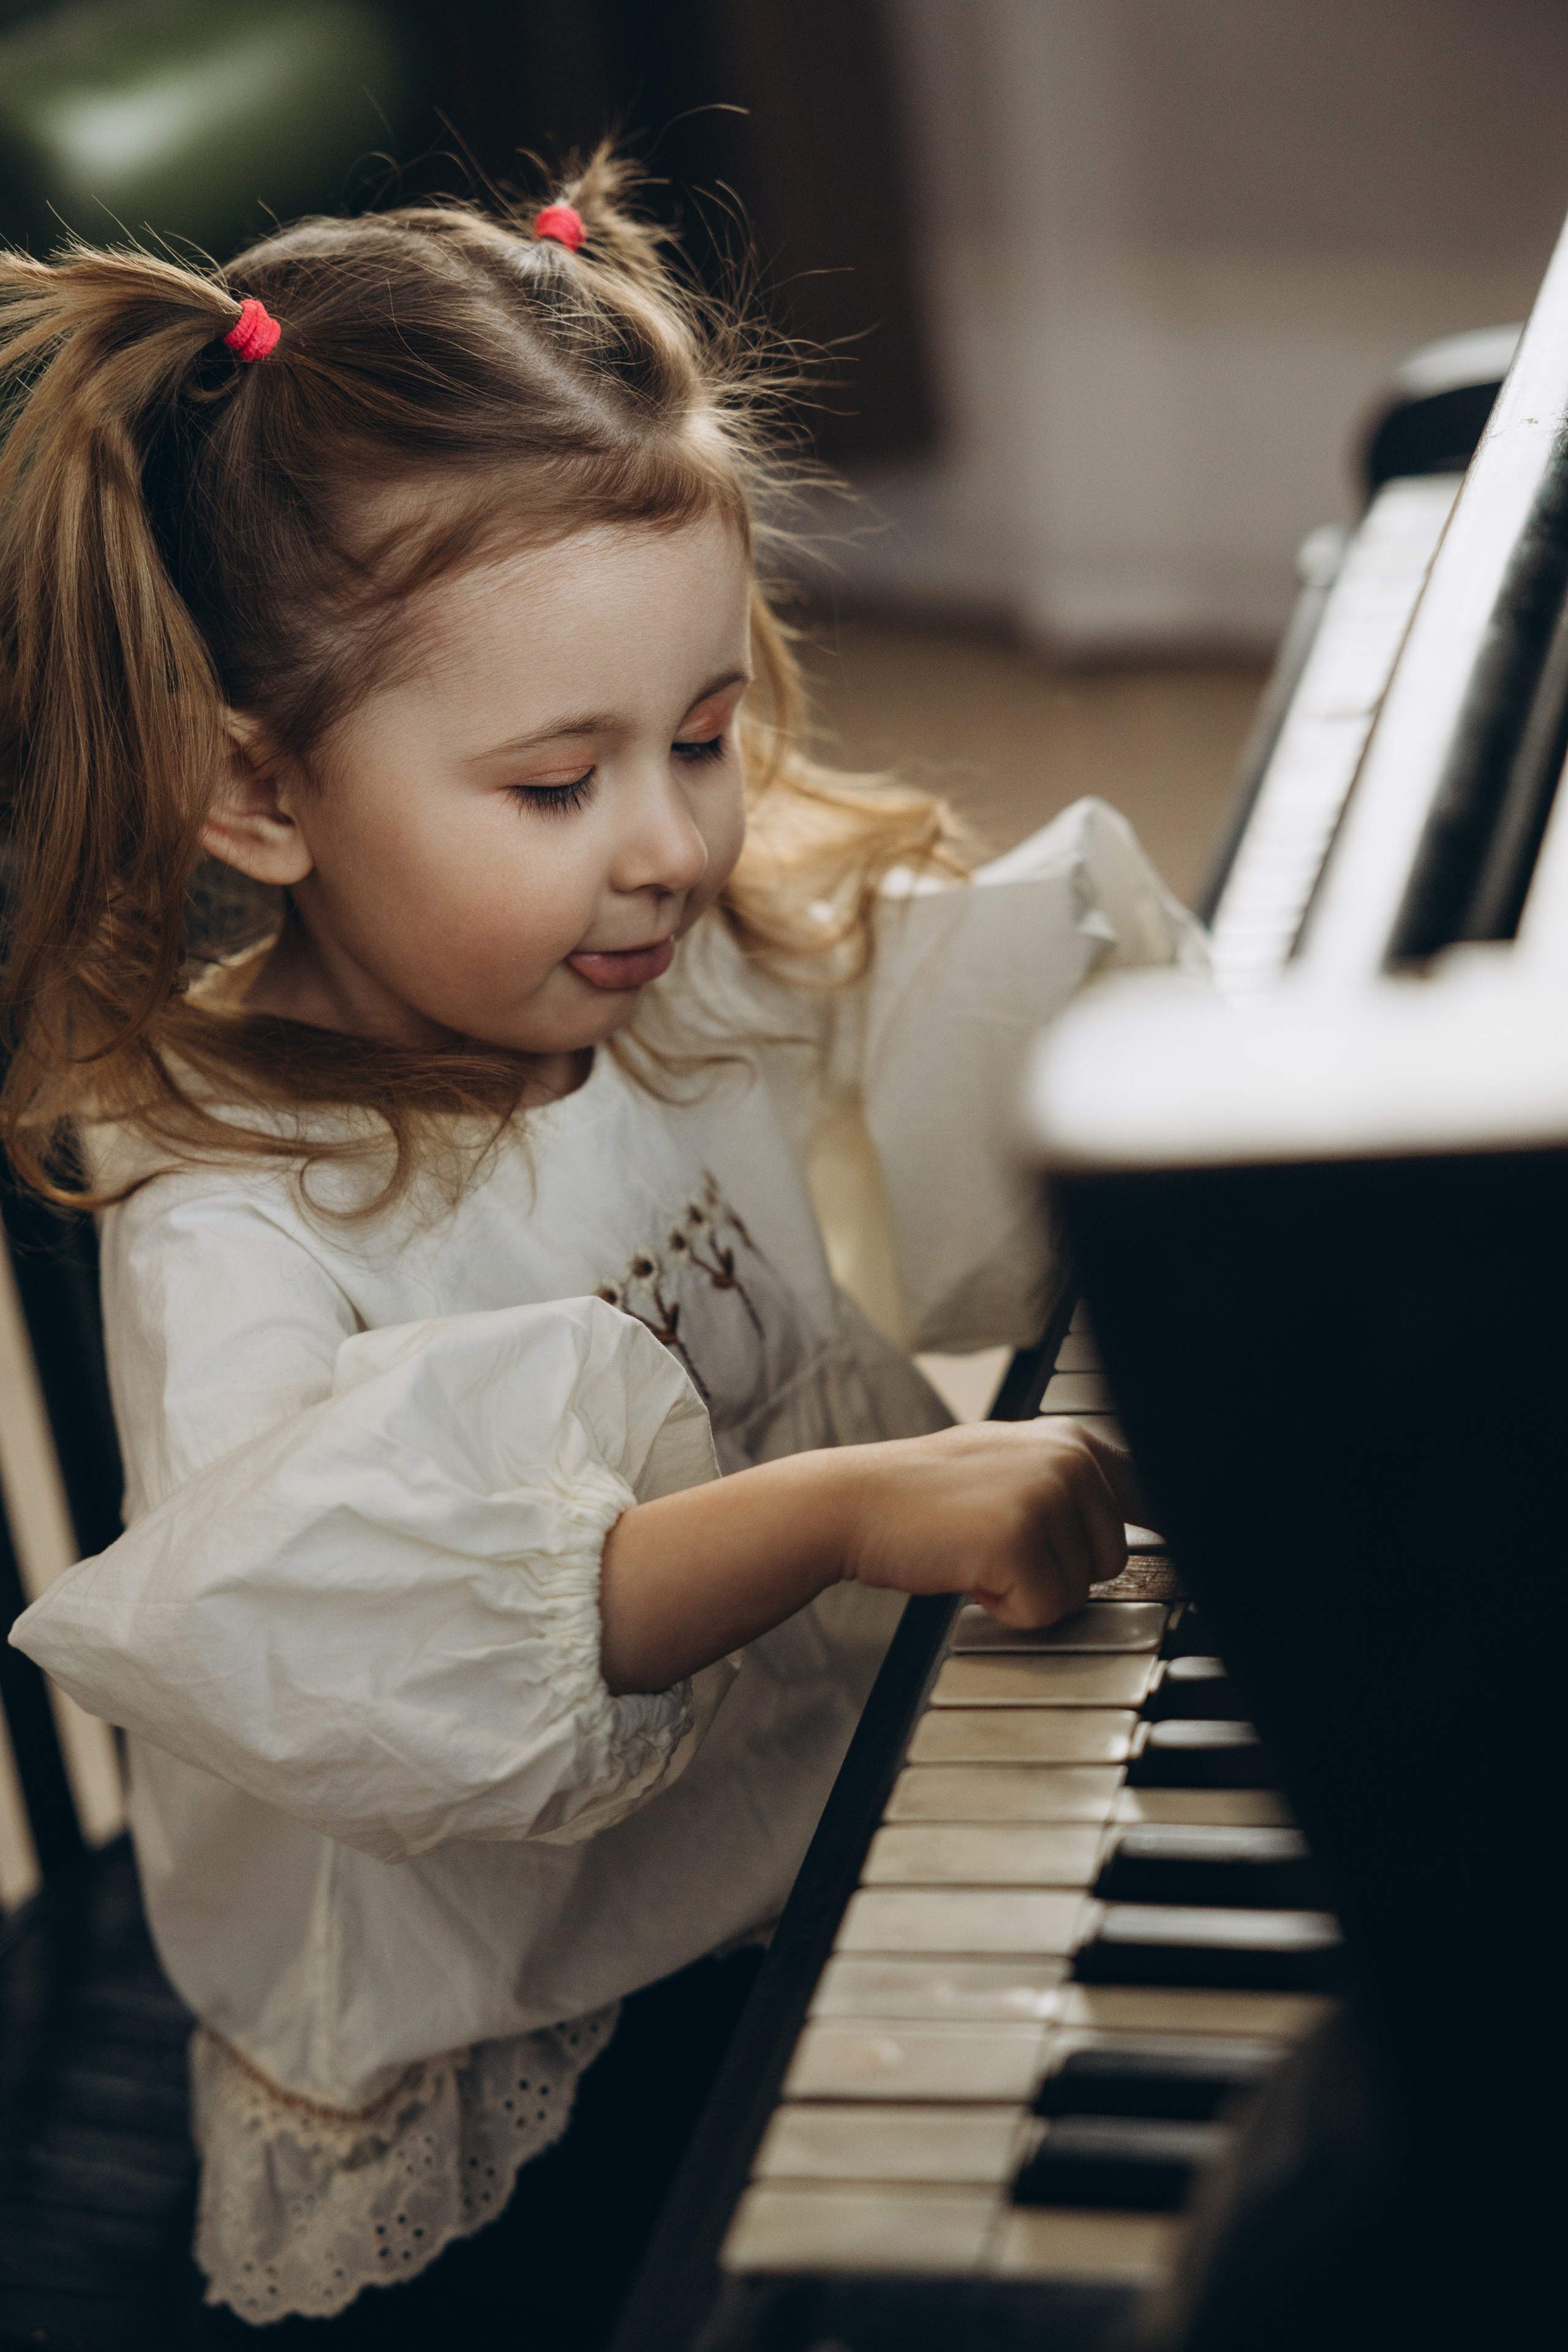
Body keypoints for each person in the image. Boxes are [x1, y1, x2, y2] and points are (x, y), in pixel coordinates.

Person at [2, 153, 1202, 2343]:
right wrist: (843, 1500)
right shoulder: (237, 1216)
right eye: (557, 784)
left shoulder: (661, 969)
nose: (668, 843)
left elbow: (961, 1056)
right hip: (514, 2057)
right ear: (259, 797)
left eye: (708, 732)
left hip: (786, 1856)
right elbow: (363, 1636)